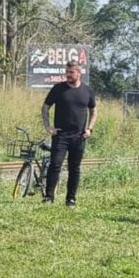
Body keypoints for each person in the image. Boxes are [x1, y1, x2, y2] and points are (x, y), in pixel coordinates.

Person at [41, 60, 96, 206]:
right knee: (55, 165)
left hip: (79, 137)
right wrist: (48, 127)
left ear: (79, 73)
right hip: (61, 136)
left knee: (74, 168)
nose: (68, 75)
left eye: (71, 72)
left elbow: (93, 110)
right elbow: (45, 107)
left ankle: (70, 199)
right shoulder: (58, 89)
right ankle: (49, 197)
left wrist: (89, 128)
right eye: (67, 72)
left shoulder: (87, 91)